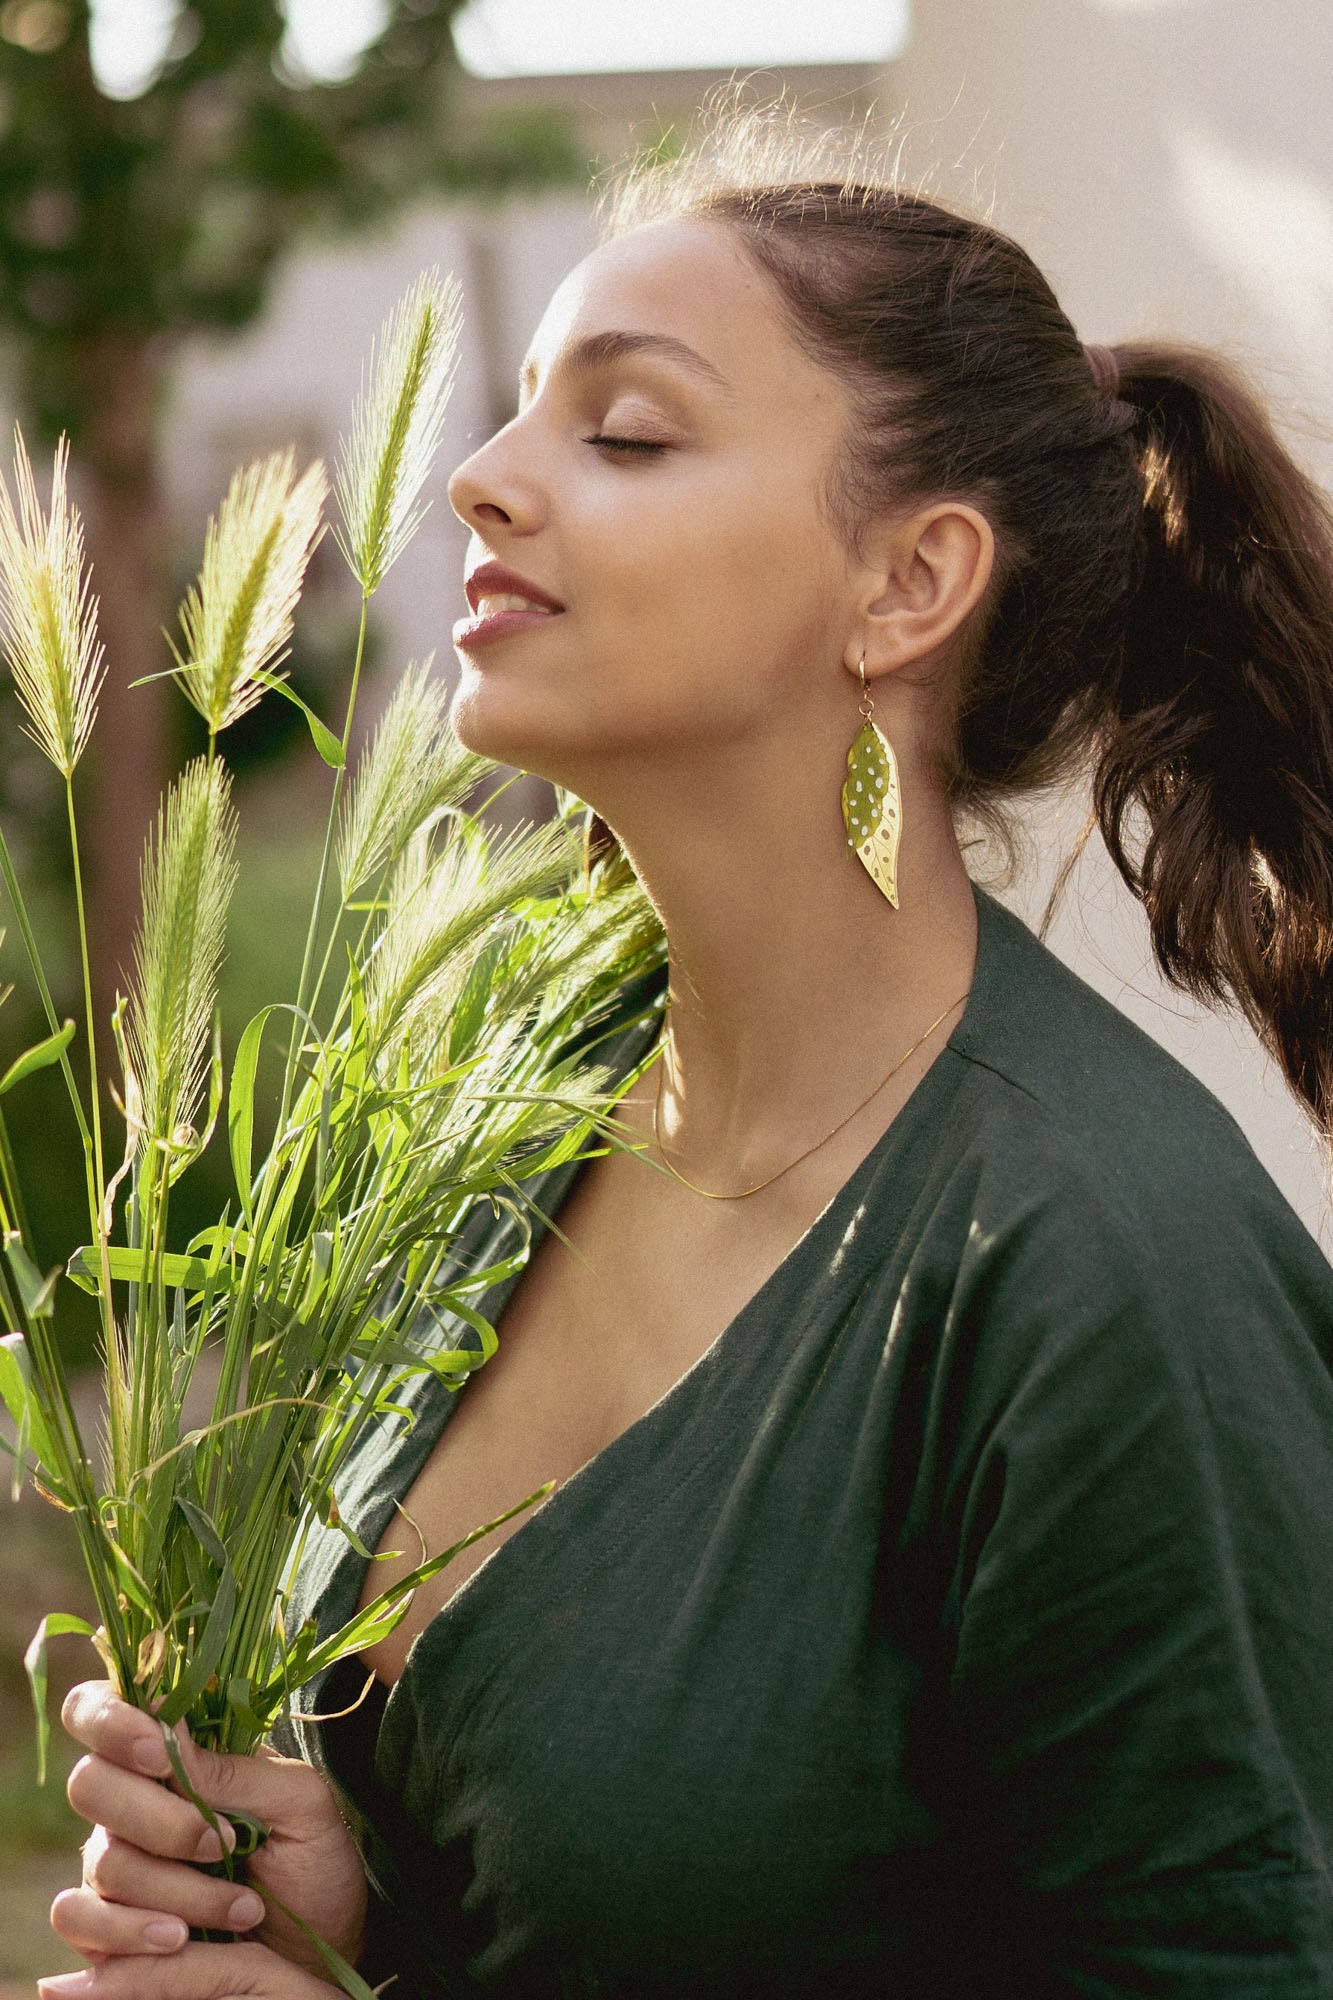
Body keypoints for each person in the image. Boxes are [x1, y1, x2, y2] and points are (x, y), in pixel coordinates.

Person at [40, 99, 1333, 2000]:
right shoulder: (502, 1125)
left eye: (625, 429)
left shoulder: (1103, 1277)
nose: (478, 477)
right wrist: (357, 1898)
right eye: (516, 406)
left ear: (908, 585)